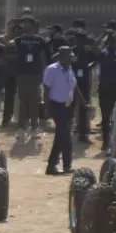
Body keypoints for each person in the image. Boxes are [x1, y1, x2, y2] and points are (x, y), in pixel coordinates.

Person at [42, 46, 78, 175]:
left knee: (62, 136)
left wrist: (84, 103)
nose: (71, 58)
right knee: (64, 136)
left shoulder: (69, 69)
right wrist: (47, 108)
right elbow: (46, 89)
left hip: (68, 107)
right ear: (62, 56)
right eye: (69, 56)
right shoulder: (51, 70)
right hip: (56, 106)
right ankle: (60, 165)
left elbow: (74, 87)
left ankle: (54, 166)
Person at [12, 17, 49, 137]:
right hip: (22, 74)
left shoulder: (40, 40)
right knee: (23, 101)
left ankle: (34, 128)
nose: (25, 25)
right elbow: (9, 44)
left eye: (27, 23)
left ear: (33, 25)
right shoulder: (19, 39)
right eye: (23, 23)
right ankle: (21, 128)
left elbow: (46, 55)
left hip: (35, 74)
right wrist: (14, 30)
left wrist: (44, 72)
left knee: (34, 101)